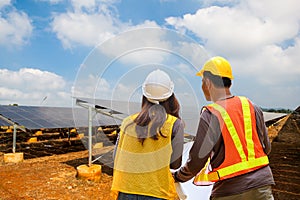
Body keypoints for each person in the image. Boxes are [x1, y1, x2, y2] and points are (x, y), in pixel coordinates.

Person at [173, 56, 275, 199]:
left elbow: (197, 159)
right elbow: (266, 147)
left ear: (208, 82)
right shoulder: (251, 106)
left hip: (230, 190)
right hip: (262, 184)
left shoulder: (211, 114)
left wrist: (178, 176)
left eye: (202, 81)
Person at [111, 69, 184, 200]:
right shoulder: (175, 124)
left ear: (144, 95)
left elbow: (116, 156)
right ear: (170, 96)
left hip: (126, 191)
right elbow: (175, 165)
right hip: (158, 192)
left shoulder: (127, 122)